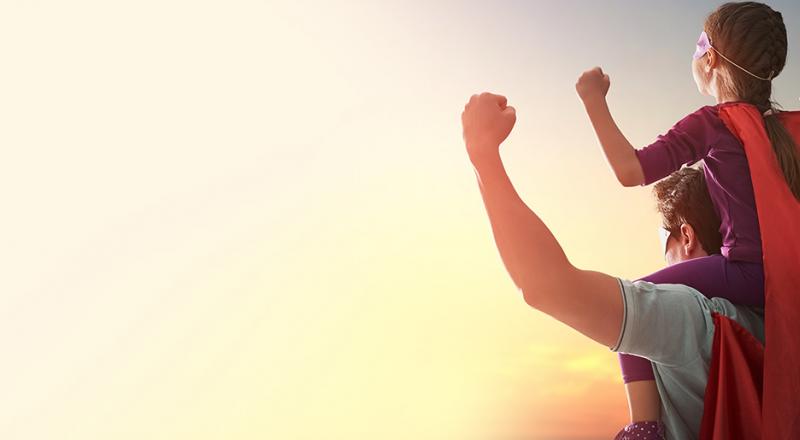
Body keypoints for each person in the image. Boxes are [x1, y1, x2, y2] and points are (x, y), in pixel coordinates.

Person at [460, 91, 764, 440]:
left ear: (687, 236)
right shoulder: (771, 323)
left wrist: (482, 155)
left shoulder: (688, 318)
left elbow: (544, 285)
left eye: (664, 241)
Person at [573, 3, 799, 436]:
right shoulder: (789, 130)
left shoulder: (714, 124)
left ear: (710, 58)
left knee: (631, 304)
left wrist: (594, 102)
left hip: (750, 274)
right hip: (792, 278)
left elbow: (630, 170)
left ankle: (645, 428)